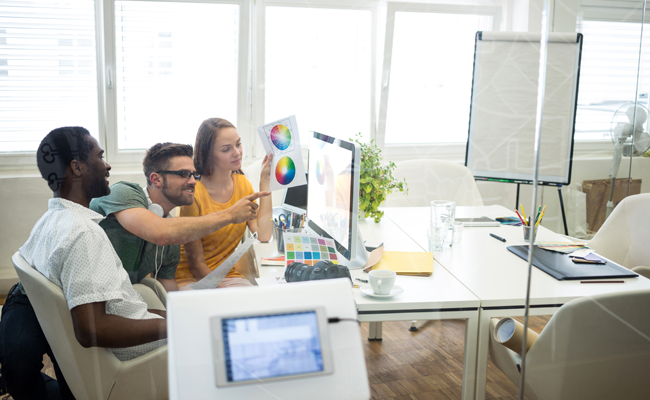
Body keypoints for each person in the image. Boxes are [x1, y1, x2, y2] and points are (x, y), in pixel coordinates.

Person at [0, 127, 162, 399]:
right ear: (76, 167)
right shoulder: (83, 234)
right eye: (100, 156)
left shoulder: (53, 219)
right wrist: (173, 326)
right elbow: (92, 328)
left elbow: (114, 313)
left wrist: (169, 317)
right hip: (144, 358)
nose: (107, 165)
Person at [89, 142, 270, 292]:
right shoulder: (123, 192)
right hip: (91, 301)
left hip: (124, 299)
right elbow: (159, 232)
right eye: (184, 174)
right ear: (156, 179)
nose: (193, 181)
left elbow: (170, 295)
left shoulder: (173, 235)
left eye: (193, 174)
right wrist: (229, 215)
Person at [176, 118, 273, 288]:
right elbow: (197, 266)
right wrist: (224, 293)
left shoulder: (243, 185)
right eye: (226, 149)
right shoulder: (193, 194)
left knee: (260, 300)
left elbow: (263, 235)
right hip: (192, 278)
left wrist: (265, 182)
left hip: (226, 275)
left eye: (238, 144)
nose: (237, 152)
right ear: (208, 155)